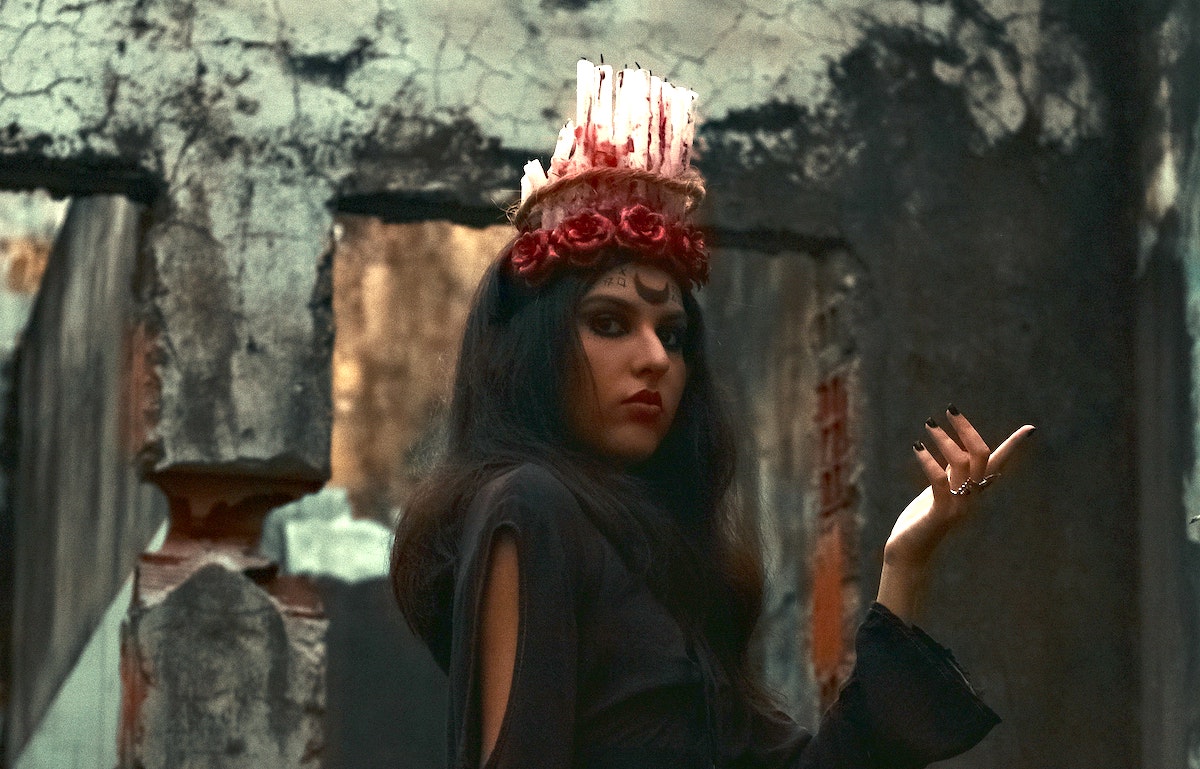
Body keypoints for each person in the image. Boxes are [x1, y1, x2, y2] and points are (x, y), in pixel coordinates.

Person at [390, 61, 1034, 769]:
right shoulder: (529, 506)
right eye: (609, 323)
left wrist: (903, 563)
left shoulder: (667, 560)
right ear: (537, 353)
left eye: (672, 334)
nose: (656, 359)